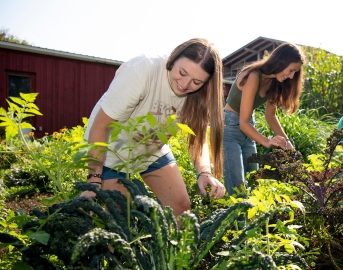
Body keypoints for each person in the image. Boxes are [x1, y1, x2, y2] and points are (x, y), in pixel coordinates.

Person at [81, 38, 225, 216]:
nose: (185, 84)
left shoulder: (198, 96)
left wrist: (205, 172)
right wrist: (94, 180)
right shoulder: (142, 70)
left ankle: (171, 245)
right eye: (182, 72)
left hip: (151, 148)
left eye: (196, 82)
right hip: (112, 147)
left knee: (180, 206)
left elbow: (197, 137)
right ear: (174, 57)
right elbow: (101, 124)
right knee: (121, 217)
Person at [223, 42, 305, 195]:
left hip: (248, 128)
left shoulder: (275, 82)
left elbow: (270, 116)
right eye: (291, 70)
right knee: (237, 189)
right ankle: (237, 219)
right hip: (230, 128)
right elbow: (242, 122)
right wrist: (267, 141)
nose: (292, 76)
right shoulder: (254, 76)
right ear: (282, 61)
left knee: (254, 183)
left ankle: (251, 219)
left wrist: (289, 147)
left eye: (295, 72)